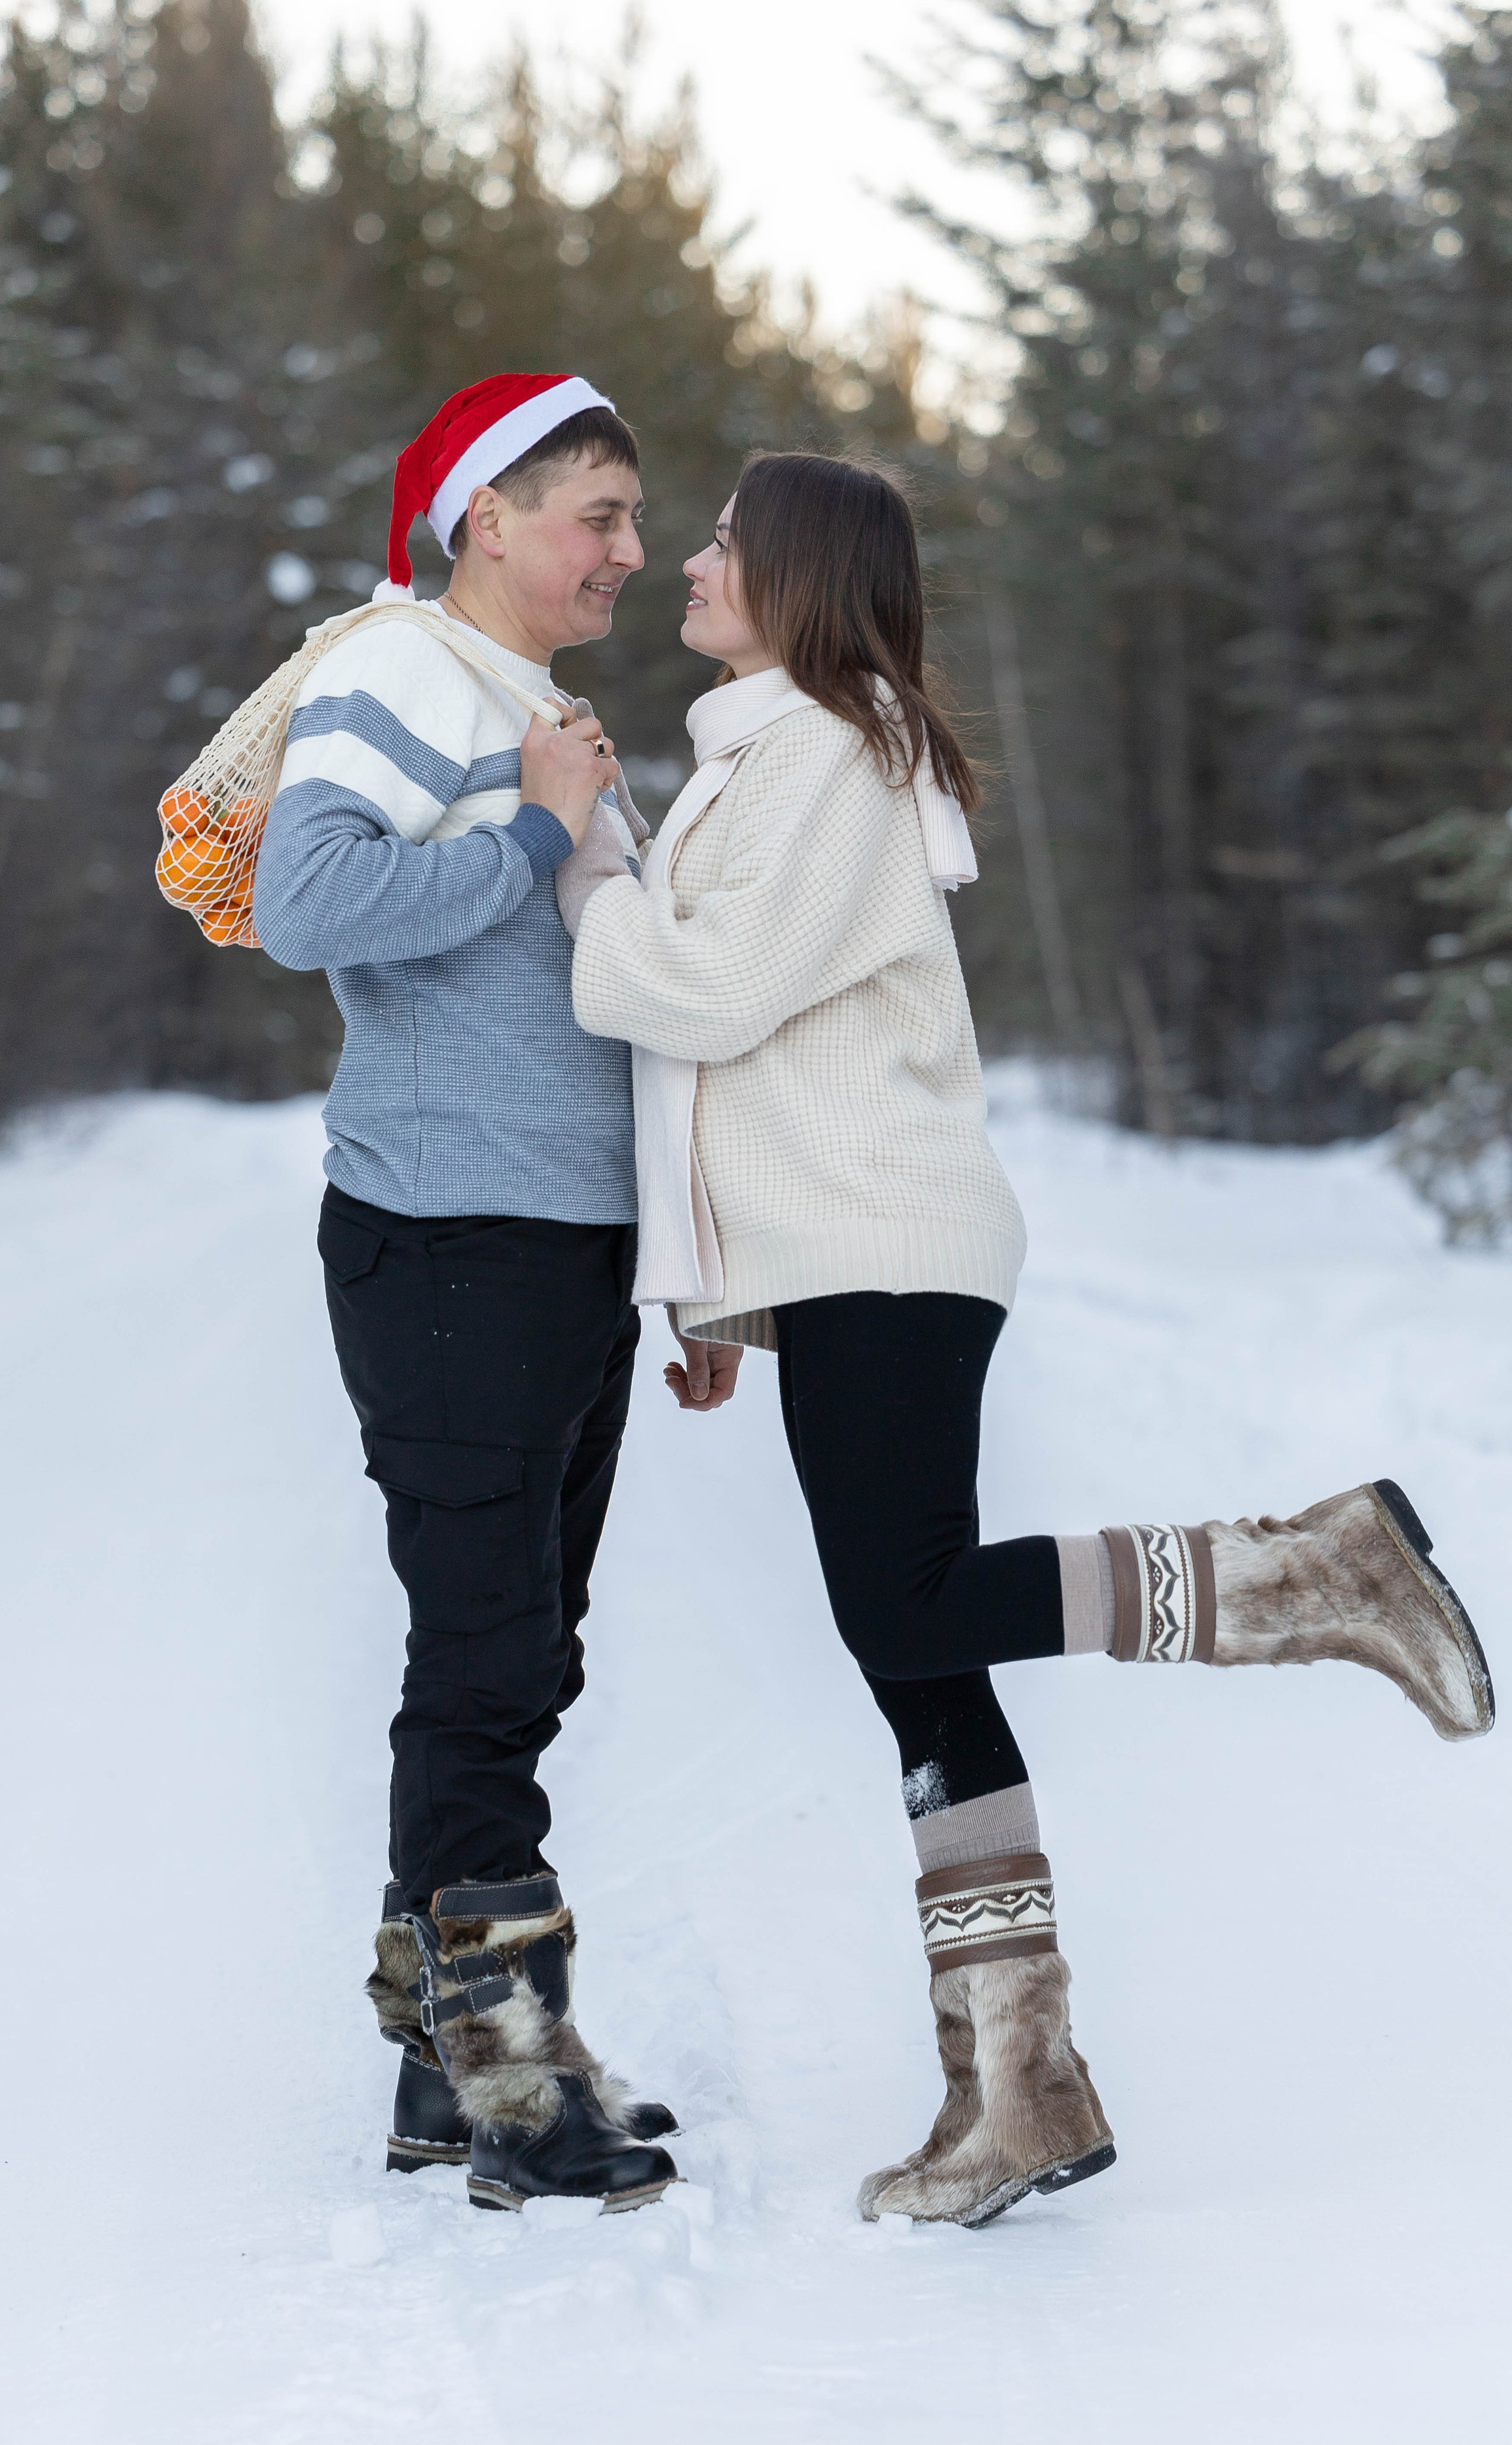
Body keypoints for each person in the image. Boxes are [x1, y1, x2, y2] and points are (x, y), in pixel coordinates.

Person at [564, 449, 1496, 2228]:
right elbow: (738, 1064)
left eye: (722, 546)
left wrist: (567, 867)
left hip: (891, 1248)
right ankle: (1019, 2094)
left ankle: (1320, 1571)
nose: (687, 563)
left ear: (802, 580)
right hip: (839, 1255)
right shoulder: (782, 750)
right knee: (915, 1664)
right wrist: (706, 1290)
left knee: (906, 1605)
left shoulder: (830, 752)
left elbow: (696, 994)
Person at [253, 373, 678, 2214]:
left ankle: (452, 2065)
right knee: (492, 1662)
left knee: (513, 1655)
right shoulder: (403, 674)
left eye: (638, 521)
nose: (630, 555)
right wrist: (523, 827)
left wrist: (681, 1260)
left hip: (552, 1244)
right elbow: (307, 899)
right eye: (597, 513)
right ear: (486, 517)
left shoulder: (525, 704)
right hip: (450, 1237)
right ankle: (512, 2089)